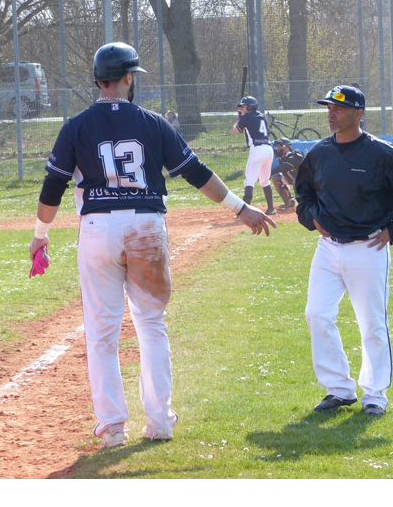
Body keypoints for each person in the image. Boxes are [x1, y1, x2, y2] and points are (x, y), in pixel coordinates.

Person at [28, 43, 276, 449]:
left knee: (102, 332)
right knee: (150, 324)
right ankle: (159, 421)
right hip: (146, 227)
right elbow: (195, 172)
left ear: (97, 79)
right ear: (128, 77)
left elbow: (53, 185)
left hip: (97, 230)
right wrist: (240, 207)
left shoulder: (75, 125)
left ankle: (111, 428)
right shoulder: (153, 122)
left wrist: (40, 234)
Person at [294, 85, 393, 417]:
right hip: (327, 249)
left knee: (371, 323)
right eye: (328, 108)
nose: (330, 113)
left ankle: (375, 395)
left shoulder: (382, 154)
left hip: (368, 247)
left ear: (358, 113)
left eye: (338, 108)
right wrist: (311, 219)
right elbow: (303, 194)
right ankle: (339, 389)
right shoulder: (319, 153)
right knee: (317, 313)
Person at [232, 96, 276, 216]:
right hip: (268, 149)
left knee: (249, 181)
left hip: (257, 149)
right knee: (264, 180)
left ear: (250, 107)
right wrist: (242, 117)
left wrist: (240, 118)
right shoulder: (262, 116)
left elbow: (235, 130)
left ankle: (245, 212)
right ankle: (271, 209)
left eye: (244, 106)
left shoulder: (245, 117)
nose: (242, 108)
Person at [270, 137, 303, 212]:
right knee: (276, 177)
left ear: (286, 147)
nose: (277, 149)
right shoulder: (283, 158)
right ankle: (290, 203)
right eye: (277, 147)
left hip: (307, 181)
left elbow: (281, 168)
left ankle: (303, 204)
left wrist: (267, 174)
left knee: (297, 181)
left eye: (279, 146)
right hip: (293, 178)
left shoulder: (293, 157)